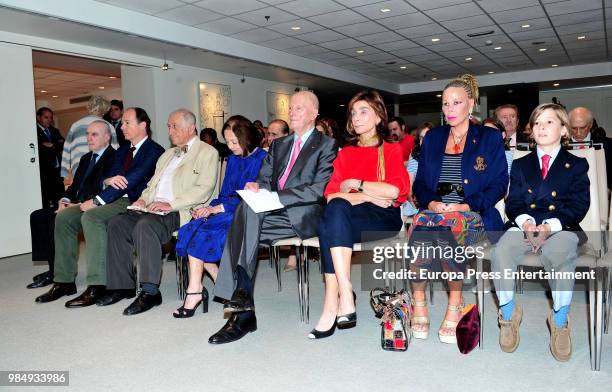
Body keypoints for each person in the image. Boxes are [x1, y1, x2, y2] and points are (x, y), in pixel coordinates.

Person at [207, 91, 337, 344]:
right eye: (291, 107)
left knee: (240, 225)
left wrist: (277, 197)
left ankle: (242, 311)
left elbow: (318, 189)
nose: (292, 111)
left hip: (303, 214)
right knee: (245, 214)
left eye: (300, 108)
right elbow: (265, 179)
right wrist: (257, 186)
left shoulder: (326, 145)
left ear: (314, 114)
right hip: (270, 212)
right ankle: (243, 299)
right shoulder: (280, 144)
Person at [410, 74, 508, 344]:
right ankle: (419, 299)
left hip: (474, 214)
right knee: (423, 223)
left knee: (445, 225)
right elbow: (419, 184)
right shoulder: (432, 138)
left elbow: (500, 183)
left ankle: (455, 300)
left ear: (471, 104)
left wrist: (466, 205)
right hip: (436, 210)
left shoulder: (488, 137)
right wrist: (431, 203)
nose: (450, 109)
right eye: (445, 104)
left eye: (456, 103)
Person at [35, 107, 164, 306]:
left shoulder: (154, 151)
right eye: (123, 123)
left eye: (127, 122)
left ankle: (97, 284)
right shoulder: (122, 150)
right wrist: (107, 183)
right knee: (64, 217)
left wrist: (96, 201)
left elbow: (130, 182)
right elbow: (108, 179)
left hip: (133, 201)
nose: (122, 127)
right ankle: (64, 280)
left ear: (143, 125)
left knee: (91, 217)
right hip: (110, 197)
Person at [491, 103, 589, 362]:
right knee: (501, 251)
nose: (542, 127)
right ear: (531, 131)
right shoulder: (522, 165)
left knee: (561, 253)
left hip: (560, 227)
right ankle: (509, 314)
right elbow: (513, 203)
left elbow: (579, 206)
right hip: (525, 224)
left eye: (549, 122)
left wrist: (549, 227)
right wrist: (525, 223)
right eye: (537, 123)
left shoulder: (576, 165)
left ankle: (559, 319)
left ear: (564, 129)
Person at [310, 90, 410, 339]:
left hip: (383, 218)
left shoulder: (391, 149)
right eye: (353, 113)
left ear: (378, 117)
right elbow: (331, 195)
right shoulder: (345, 153)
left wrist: (357, 183)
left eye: (363, 112)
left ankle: (333, 302)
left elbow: (395, 191)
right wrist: (368, 195)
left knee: (328, 224)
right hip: (350, 214)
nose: (356, 117)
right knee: (333, 212)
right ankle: (345, 291)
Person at [100, 109, 219, 315]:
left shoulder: (207, 152)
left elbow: (204, 189)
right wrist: (142, 199)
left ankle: (150, 292)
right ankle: (122, 286)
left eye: (175, 126)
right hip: (153, 207)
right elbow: (151, 186)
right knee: (117, 223)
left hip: (181, 210)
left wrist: (170, 204)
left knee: (145, 226)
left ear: (191, 128)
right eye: (168, 126)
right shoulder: (167, 155)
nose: (170, 131)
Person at [173, 115, 266, 318]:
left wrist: (218, 209)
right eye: (228, 141)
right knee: (191, 227)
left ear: (247, 137)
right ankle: (212, 284)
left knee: (203, 232)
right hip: (226, 206)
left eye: (235, 141)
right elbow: (224, 193)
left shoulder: (262, 159)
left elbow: (250, 197)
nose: (231, 146)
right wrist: (209, 208)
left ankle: (195, 291)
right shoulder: (233, 159)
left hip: (245, 212)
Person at [28, 121, 115, 289]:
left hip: (91, 205)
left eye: (94, 134)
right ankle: (52, 267)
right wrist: (65, 200)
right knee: (37, 216)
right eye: (87, 134)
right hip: (73, 203)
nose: (89, 138)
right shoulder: (85, 158)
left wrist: (77, 203)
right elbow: (75, 187)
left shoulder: (114, 157)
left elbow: (104, 189)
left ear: (107, 137)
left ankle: (57, 274)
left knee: (57, 220)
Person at [61, 95, 118, 180]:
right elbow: (114, 150)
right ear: (105, 109)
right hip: (100, 169)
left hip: (77, 169)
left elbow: (66, 149)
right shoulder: (108, 126)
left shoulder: (76, 125)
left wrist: (64, 173)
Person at [569, 106, 612, 189]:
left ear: (590, 125)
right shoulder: (559, 147)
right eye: (574, 128)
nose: (578, 132)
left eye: (582, 128)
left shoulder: (608, 146)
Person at [35, 107, 65, 209]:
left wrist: (51, 145)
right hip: (44, 174)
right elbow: (40, 148)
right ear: (38, 117)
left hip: (57, 172)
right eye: (46, 117)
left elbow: (62, 144)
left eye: (51, 117)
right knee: (46, 202)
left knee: (61, 200)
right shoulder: (33, 131)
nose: (49, 120)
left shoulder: (54, 130)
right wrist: (54, 144)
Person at [401, 122, 432, 219]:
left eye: (427, 136)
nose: (424, 141)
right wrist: (411, 199)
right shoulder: (415, 156)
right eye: (421, 137)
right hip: (416, 198)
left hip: (435, 199)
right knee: (401, 213)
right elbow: (410, 183)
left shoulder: (443, 155)